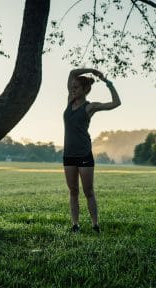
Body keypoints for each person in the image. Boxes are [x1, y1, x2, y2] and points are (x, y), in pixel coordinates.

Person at [63, 68, 121, 233]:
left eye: (76, 87)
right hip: (68, 155)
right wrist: (92, 70)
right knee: (73, 191)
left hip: (83, 154)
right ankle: (75, 225)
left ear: (85, 90)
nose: (72, 89)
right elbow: (72, 72)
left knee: (88, 191)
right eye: (72, 87)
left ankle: (95, 225)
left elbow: (116, 103)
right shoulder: (69, 101)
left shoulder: (90, 107)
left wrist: (108, 84)